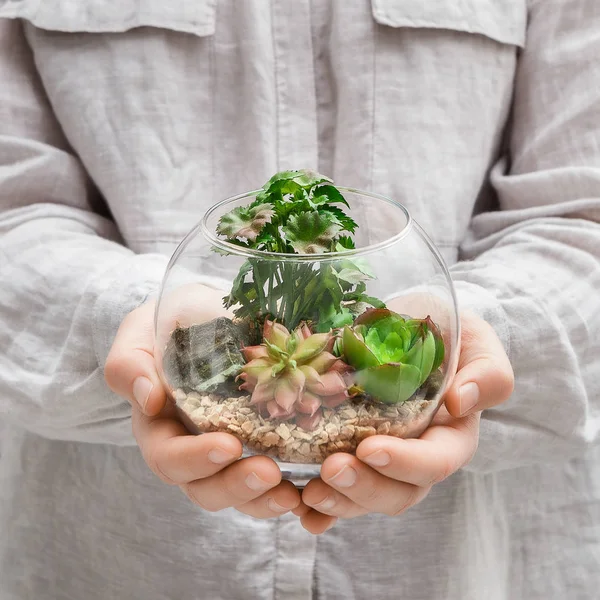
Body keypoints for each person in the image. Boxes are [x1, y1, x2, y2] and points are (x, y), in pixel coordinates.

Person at [0, 1, 598, 598]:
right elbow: (14, 207)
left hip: (466, 562)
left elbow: (581, 214)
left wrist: (468, 340)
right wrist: (159, 325)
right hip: (115, 554)